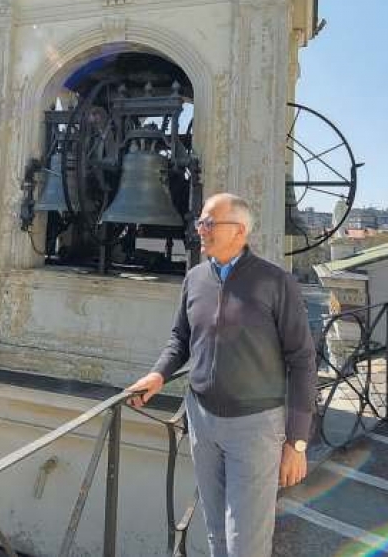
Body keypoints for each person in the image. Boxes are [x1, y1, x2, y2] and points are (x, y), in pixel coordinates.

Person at [127, 193, 317, 557]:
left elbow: (303, 360)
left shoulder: (276, 282)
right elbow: (180, 339)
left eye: (210, 223)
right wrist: (158, 375)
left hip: (256, 427)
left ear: (240, 231)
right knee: (215, 533)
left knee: (244, 543)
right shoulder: (196, 277)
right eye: (201, 221)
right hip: (201, 420)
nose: (201, 229)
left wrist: (297, 442)